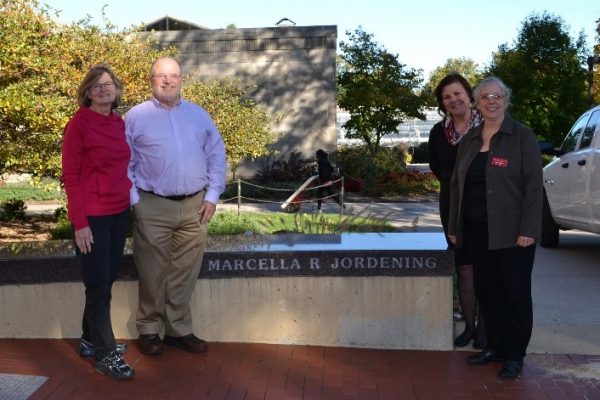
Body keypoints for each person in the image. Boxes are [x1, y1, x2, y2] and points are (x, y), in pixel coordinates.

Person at [126, 57, 227, 356]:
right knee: (151, 271)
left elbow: (216, 155)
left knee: (185, 271)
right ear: (151, 80)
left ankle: (178, 329)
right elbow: (124, 164)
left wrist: (212, 196)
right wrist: (136, 203)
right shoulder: (135, 117)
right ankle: (148, 329)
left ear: (182, 79)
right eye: (161, 76)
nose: (167, 81)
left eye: (173, 76)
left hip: (196, 205)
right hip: (152, 205)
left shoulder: (199, 115)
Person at [448, 76, 543, 380]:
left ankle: (514, 355)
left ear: (506, 100)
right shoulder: (471, 139)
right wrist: (454, 226)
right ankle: (495, 347)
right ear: (477, 103)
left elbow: (533, 187)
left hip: (514, 233)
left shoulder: (521, 137)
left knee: (515, 295)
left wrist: (528, 228)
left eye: (497, 96)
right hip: (477, 231)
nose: (491, 101)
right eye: (485, 96)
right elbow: (456, 186)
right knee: (488, 292)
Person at [61, 64, 135, 380]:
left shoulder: (118, 123)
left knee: (104, 282)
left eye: (108, 84)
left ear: (116, 90)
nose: (104, 89)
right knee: (98, 286)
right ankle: (105, 355)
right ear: (87, 92)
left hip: (119, 214)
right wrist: (80, 223)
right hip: (92, 217)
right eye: (96, 85)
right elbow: (71, 177)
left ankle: (90, 340)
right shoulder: (78, 125)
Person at [427, 73, 486, 349]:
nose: (453, 100)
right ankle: (470, 327)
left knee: (488, 268)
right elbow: (438, 168)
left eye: (457, 93)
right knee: (464, 269)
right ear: (442, 103)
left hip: (486, 208)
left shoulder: (487, 126)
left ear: (468, 94)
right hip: (453, 210)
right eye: (447, 96)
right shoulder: (439, 132)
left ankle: (487, 327)